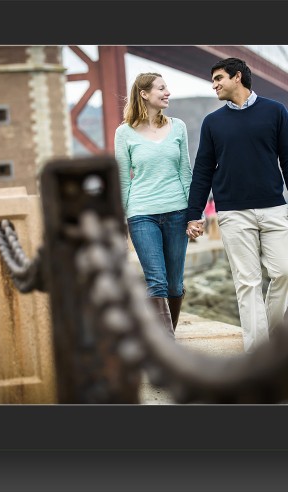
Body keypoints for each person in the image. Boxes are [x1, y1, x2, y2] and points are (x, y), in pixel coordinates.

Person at [185, 58, 288, 352]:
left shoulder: (275, 111)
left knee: (287, 271)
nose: (214, 84)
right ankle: (260, 352)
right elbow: (203, 170)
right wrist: (195, 214)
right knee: (248, 283)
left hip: (273, 208)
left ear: (237, 77)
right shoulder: (212, 122)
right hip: (232, 213)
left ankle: (273, 338)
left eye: (218, 78)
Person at [114, 72, 192, 336]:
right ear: (144, 94)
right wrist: (120, 221)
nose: (167, 92)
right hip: (142, 214)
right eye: (161, 88)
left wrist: (194, 215)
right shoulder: (123, 133)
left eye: (167, 87)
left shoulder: (178, 126)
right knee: (156, 282)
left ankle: (169, 341)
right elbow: (123, 179)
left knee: (174, 284)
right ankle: (167, 348)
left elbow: (185, 173)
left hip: (177, 212)